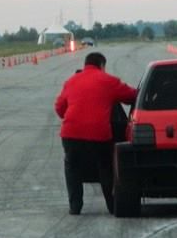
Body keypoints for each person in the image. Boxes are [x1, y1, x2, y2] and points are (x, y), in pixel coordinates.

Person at [54, 52, 138, 215]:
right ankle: (111, 206)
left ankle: (75, 206)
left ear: (85, 65)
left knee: (72, 167)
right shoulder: (108, 81)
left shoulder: (70, 81)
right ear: (102, 65)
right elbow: (131, 96)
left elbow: (59, 107)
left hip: (71, 133)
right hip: (98, 134)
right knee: (105, 167)